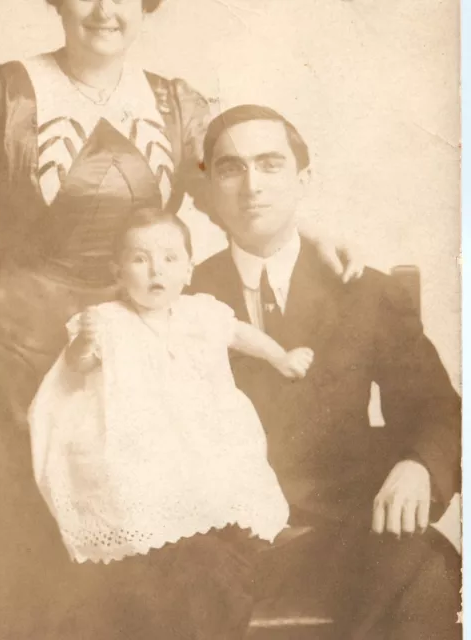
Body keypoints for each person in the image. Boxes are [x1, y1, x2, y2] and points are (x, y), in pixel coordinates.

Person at [0, 2, 362, 638]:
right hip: (10, 352)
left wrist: (310, 234)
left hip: (133, 348)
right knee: (8, 559)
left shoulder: (174, 104)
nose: (106, 11)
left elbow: (225, 193)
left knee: (136, 551)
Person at [190, 104, 462, 639]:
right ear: (208, 190)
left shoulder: (366, 290)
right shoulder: (179, 296)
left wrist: (418, 466)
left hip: (348, 520)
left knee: (426, 570)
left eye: (270, 164)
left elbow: (437, 407)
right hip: (224, 533)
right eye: (231, 168)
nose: (252, 186)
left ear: (303, 178)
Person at [28, 208, 310, 638]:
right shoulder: (107, 320)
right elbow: (78, 364)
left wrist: (280, 357)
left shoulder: (201, 312)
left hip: (198, 434)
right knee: (147, 503)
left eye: (170, 258)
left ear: (189, 269)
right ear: (117, 271)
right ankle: (161, 543)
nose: (156, 269)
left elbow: (241, 335)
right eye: (140, 259)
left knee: (221, 482)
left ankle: (235, 535)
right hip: (138, 441)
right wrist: (85, 340)